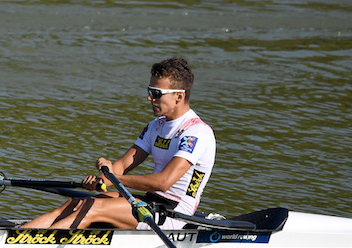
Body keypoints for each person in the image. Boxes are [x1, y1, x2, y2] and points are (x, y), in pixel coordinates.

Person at [22, 57, 215, 230]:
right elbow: (122, 166)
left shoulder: (196, 133)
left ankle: (28, 244)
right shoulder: (156, 126)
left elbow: (162, 183)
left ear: (179, 96)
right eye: (149, 91)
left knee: (94, 208)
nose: (150, 98)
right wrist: (103, 180)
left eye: (156, 93)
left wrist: (115, 178)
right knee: (77, 203)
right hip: (150, 202)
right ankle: (16, 236)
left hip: (174, 213)